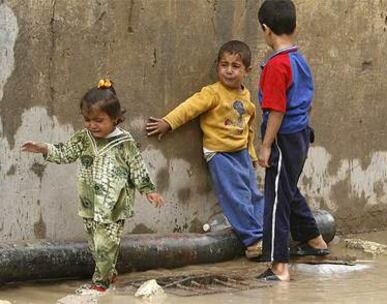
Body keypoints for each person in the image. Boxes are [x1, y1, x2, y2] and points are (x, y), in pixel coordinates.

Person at [21, 79, 164, 292]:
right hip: (89, 205)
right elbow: (65, 152)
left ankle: (100, 284)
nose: (92, 125)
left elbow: (137, 167)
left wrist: (148, 190)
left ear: (115, 119)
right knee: (96, 246)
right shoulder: (84, 138)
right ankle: (110, 274)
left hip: (113, 207)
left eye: (98, 120)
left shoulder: (124, 142)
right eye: (87, 120)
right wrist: (44, 148)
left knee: (105, 244)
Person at [146, 40, 264, 259]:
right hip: (220, 154)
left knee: (254, 194)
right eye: (224, 65)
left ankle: (263, 231)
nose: (229, 71)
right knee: (235, 196)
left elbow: (249, 128)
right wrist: (168, 122)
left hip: (241, 154)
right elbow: (189, 108)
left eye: (235, 66)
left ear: (247, 71)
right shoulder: (213, 93)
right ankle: (253, 240)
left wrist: (252, 154)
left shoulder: (246, 97)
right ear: (217, 66)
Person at [256, 0, 329, 281]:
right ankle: (314, 240)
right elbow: (307, 103)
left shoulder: (277, 66)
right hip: (299, 135)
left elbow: (277, 109)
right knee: (287, 188)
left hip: (283, 138)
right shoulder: (300, 59)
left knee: (275, 199)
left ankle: (278, 266)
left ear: (265, 29)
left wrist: (265, 145)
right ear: (295, 27)